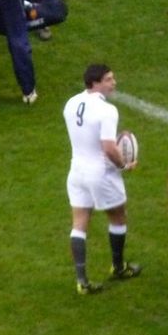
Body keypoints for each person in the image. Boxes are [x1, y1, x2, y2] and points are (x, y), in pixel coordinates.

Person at [62, 64, 142, 294]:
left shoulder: (71, 103)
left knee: (79, 224)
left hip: (76, 170)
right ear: (95, 83)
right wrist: (125, 165)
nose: (113, 83)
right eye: (108, 79)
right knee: (118, 217)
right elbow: (108, 147)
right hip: (100, 172)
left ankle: (82, 281)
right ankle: (118, 267)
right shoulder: (107, 111)